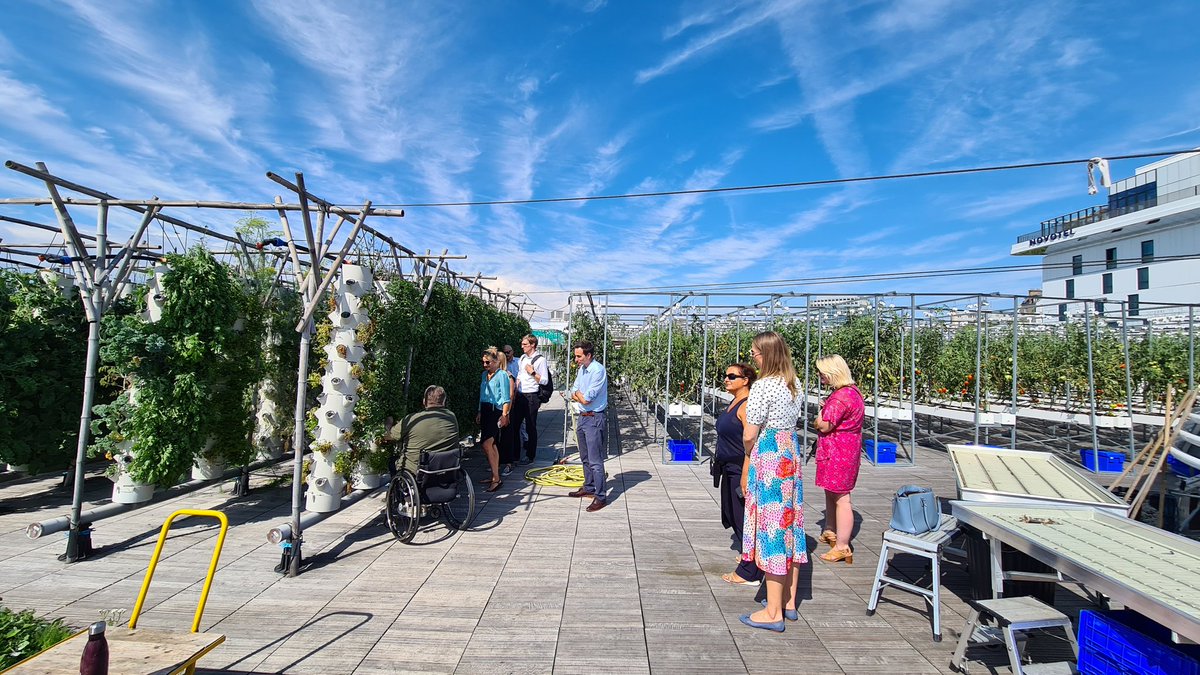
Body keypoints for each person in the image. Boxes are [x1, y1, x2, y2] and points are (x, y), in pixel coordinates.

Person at [739, 331, 806, 633]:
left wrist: (749, 453)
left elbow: (750, 432)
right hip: (790, 451)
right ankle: (790, 602)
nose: (752, 355)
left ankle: (772, 611)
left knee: (772, 528)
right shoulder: (794, 383)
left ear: (766, 353)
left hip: (769, 455)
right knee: (789, 522)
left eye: (755, 351)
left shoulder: (763, 386)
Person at [715, 362, 764, 587]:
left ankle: (750, 571)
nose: (727, 379)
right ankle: (748, 555)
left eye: (732, 376)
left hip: (739, 468)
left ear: (746, 380)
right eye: (725, 376)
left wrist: (746, 473)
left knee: (743, 516)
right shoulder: (734, 402)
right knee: (733, 514)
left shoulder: (747, 405)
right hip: (728, 467)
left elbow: (750, 442)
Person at [813, 354, 864, 564]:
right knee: (832, 492)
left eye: (822, 371)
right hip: (845, 450)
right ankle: (831, 530)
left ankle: (843, 546)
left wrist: (820, 414)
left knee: (842, 497)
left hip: (838, 451)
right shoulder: (852, 392)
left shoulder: (841, 397)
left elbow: (824, 425)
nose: (819, 375)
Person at [567, 340, 608, 512]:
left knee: (595, 460)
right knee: (585, 457)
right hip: (583, 417)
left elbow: (587, 398)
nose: (576, 359)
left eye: (579, 356)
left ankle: (600, 496)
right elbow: (572, 391)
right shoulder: (582, 370)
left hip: (594, 418)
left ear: (588, 355)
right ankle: (589, 487)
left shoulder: (597, 371)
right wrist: (577, 395)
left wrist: (577, 395)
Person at [384, 385, 459, 475]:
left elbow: (389, 436)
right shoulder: (451, 417)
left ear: (424, 401)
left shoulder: (412, 419)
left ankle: (397, 488)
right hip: (446, 470)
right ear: (444, 401)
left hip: (417, 472)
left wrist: (388, 425)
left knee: (392, 462)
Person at [476, 346, 511, 492]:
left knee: (487, 443)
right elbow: (482, 393)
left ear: (496, 361)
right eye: (484, 362)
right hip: (485, 410)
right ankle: (495, 475)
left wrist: (504, 414)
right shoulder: (484, 375)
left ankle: (496, 478)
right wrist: (479, 411)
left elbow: (505, 396)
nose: (485, 365)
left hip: (495, 411)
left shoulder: (502, 375)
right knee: (492, 444)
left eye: (488, 362)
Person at [514, 335, 550, 465]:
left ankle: (530, 456)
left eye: (525, 344)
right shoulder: (522, 358)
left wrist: (532, 373)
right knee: (515, 425)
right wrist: (517, 382)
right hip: (520, 394)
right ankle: (515, 455)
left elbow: (545, 380)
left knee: (530, 426)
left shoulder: (540, 360)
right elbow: (519, 373)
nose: (522, 346)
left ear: (533, 345)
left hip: (532, 396)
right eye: (522, 344)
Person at [498, 345, 520, 476]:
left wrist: (507, 413)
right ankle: (499, 461)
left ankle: (508, 462)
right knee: (498, 437)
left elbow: (511, 395)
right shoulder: (492, 375)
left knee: (507, 436)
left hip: (506, 409)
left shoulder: (508, 376)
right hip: (498, 409)